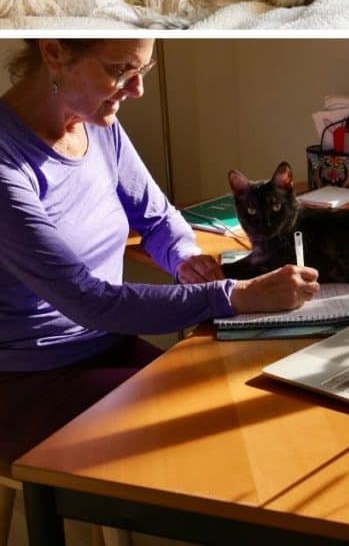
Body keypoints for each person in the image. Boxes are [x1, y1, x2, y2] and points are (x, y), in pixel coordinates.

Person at [0, 38, 319, 464]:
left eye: (144, 72)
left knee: (250, 395)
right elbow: (86, 299)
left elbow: (156, 218)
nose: (136, 90)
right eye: (119, 71)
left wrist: (185, 258)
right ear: (54, 51)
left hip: (107, 347)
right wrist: (234, 296)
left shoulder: (99, 124)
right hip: (29, 380)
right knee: (220, 433)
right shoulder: (7, 161)